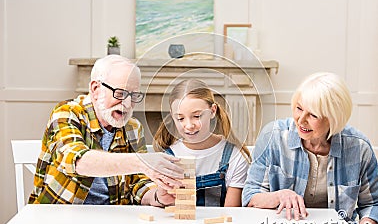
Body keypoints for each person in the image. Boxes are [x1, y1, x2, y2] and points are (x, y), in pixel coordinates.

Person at [242, 72, 378, 224]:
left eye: (313, 115)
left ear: (333, 118)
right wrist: (280, 195)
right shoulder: (273, 136)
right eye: (299, 108)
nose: (301, 120)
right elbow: (251, 197)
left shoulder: (358, 147)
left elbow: (376, 205)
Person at [29, 55, 184, 207]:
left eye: (134, 95)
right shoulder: (67, 113)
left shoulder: (133, 127)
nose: (128, 103)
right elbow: (77, 161)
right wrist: (142, 162)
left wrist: (157, 196)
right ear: (95, 89)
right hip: (58, 218)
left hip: (113, 219)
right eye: (121, 93)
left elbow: (138, 183)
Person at [153, 79, 251, 207]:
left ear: (213, 111)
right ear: (172, 116)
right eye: (180, 118)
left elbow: (231, 213)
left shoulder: (235, 156)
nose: (189, 125)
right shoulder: (168, 157)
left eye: (197, 116)